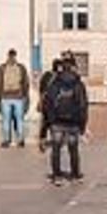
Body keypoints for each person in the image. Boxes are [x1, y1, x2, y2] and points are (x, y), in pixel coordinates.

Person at [39, 53, 89, 183]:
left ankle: (57, 176)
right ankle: (75, 174)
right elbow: (83, 106)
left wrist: (46, 127)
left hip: (56, 122)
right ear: (73, 67)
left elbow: (47, 105)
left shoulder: (54, 83)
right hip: (73, 122)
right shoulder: (78, 84)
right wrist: (82, 126)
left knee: (56, 149)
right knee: (73, 149)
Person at [0, 49, 30, 148]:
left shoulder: (2, 68)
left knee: (6, 120)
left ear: (7, 55)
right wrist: (26, 97)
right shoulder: (21, 67)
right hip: (18, 97)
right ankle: (20, 140)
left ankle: (6, 140)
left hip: (5, 97)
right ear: (15, 55)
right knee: (19, 120)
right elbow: (26, 83)